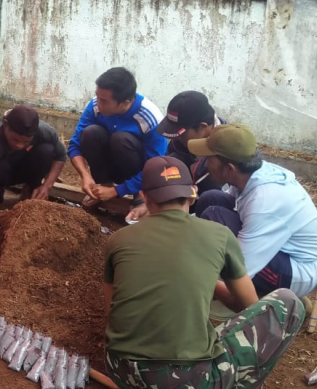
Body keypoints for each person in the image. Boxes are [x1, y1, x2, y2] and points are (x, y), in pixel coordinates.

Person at [104, 156, 304, 389]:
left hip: (120, 369)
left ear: (145, 198)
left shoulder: (118, 240)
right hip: (188, 379)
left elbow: (112, 312)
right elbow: (250, 307)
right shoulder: (219, 235)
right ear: (193, 193)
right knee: (289, 302)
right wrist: (212, 285)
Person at [187, 124, 317, 303]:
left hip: (296, 272)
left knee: (215, 218)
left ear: (229, 168)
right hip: (276, 250)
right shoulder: (251, 174)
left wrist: (204, 284)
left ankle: (278, 299)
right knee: (210, 199)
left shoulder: (265, 201)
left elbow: (242, 267)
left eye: (209, 158)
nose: (203, 161)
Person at [0, 105, 67, 237]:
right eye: (15, 139)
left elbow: (61, 156)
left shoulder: (45, 131)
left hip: (23, 167)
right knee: (0, 168)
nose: (19, 145)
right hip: (1, 171)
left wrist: (47, 186)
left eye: (26, 141)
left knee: (46, 150)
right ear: (5, 126)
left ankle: (30, 189)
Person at [67, 67, 167, 207]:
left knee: (121, 139)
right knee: (90, 132)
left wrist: (117, 191)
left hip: (137, 173)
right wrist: (85, 175)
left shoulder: (151, 119)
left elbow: (155, 168)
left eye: (104, 101)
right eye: (97, 96)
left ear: (125, 103)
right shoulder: (95, 105)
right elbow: (74, 145)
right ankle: (103, 186)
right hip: (110, 165)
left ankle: (139, 194)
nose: (98, 103)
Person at [126, 90, 226, 220]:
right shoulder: (181, 142)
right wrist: (147, 204)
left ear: (203, 127)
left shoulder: (225, 152)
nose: (177, 138)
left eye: (181, 134)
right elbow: (165, 175)